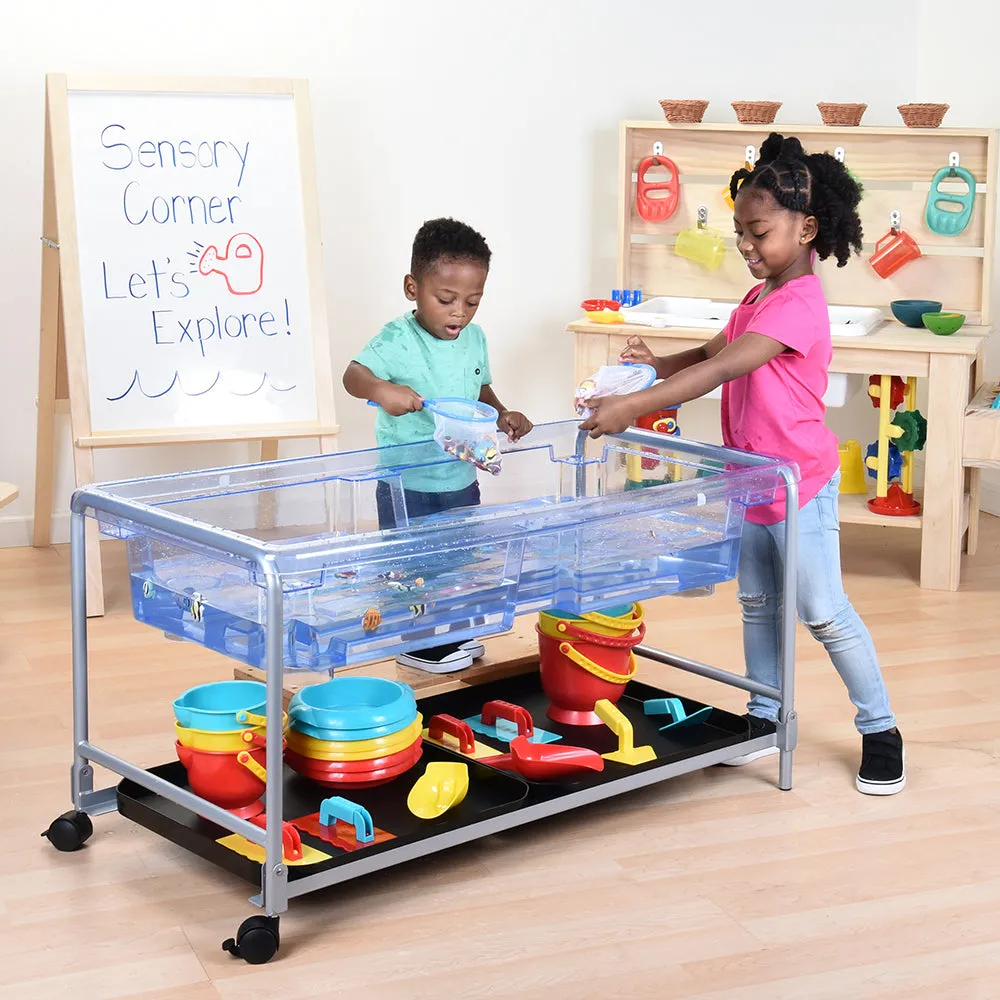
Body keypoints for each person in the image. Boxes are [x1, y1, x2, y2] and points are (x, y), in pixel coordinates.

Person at [579, 133, 904, 795]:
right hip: (751, 479)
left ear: (806, 227)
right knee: (757, 604)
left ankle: (881, 729)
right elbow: (708, 351)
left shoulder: (800, 305)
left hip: (799, 484)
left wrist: (632, 407)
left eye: (758, 232)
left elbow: (726, 367)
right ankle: (764, 717)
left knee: (821, 609)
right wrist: (653, 364)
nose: (747, 247)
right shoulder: (757, 300)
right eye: (740, 234)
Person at [343, 217, 533, 673]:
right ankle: (416, 641)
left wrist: (503, 412)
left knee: (457, 556)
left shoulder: (476, 339)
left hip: (460, 472)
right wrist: (381, 390)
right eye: (446, 300)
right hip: (406, 481)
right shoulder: (397, 339)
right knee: (413, 560)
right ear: (413, 288)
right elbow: (353, 375)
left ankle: (450, 629)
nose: (459, 313)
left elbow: (479, 389)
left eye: (472, 301)